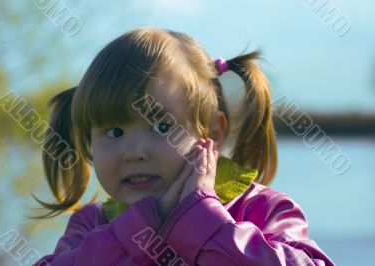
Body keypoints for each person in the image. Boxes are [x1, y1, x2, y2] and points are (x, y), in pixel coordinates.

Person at [33, 27, 334, 265]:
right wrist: (137, 231)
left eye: (162, 127)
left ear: (213, 133)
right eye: (114, 131)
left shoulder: (262, 210)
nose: (135, 151)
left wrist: (204, 222)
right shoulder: (92, 226)